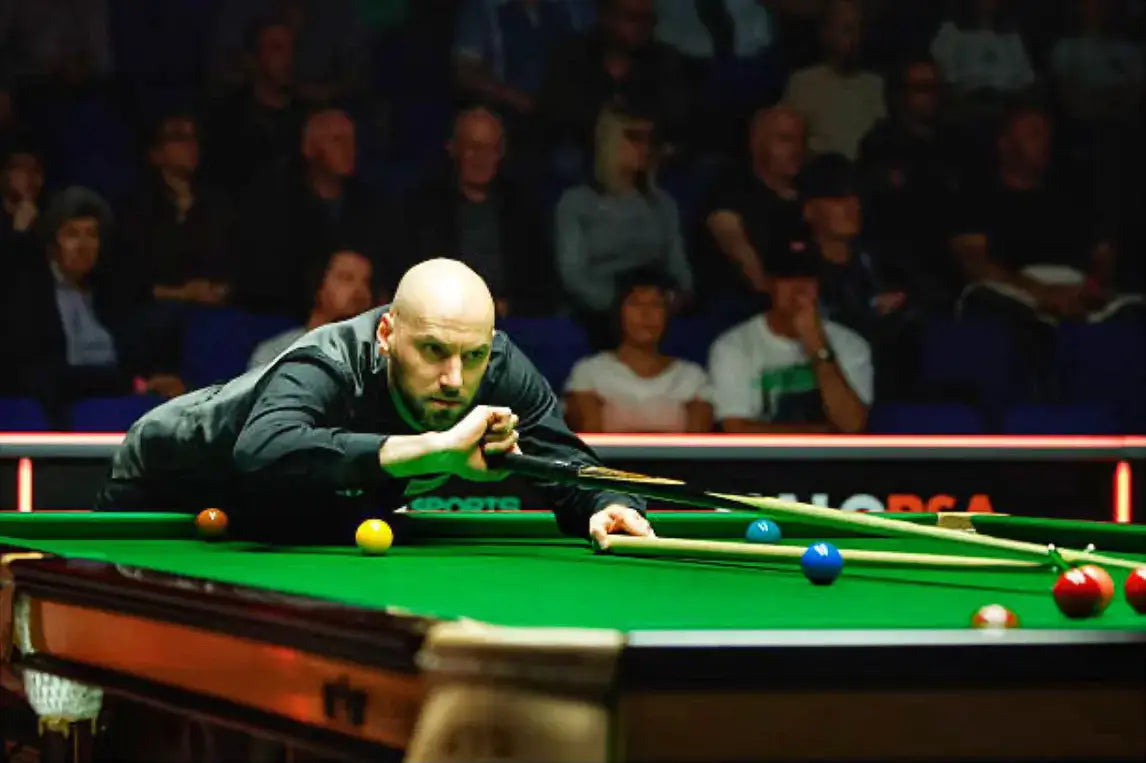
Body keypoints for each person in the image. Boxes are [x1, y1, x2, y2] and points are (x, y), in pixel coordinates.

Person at [95, 258, 652, 546]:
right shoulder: (329, 359)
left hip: (306, 514)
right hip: (176, 477)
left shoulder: (498, 368)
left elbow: (566, 463)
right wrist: (432, 451)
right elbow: (262, 450)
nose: (456, 379)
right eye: (433, 350)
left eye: (473, 355)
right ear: (387, 334)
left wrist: (604, 502)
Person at [0, 186, 185, 424]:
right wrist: (129, 384)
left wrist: (155, 379)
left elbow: (134, 356)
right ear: (52, 243)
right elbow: (41, 376)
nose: (84, 246)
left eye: (92, 234)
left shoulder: (110, 291)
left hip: (118, 398)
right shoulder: (28, 298)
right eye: (72, 234)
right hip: (63, 409)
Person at [555, 101, 692, 344]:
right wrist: (626, 309)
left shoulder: (663, 204)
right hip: (597, 319)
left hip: (657, 314)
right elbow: (574, 277)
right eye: (634, 138)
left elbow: (680, 272)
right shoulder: (577, 203)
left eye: (649, 139)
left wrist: (665, 303)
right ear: (611, 141)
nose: (645, 147)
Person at [398, 106, 553, 315]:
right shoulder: (424, 207)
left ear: (502, 153)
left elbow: (544, 287)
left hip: (511, 322)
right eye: (472, 147)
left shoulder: (522, 208)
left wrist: (504, 307)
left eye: (490, 149)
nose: (481, 158)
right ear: (453, 148)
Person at [708, 245, 872, 434]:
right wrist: (823, 433)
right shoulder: (732, 346)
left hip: (830, 461)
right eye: (787, 279)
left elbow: (852, 425)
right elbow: (736, 430)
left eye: (808, 279)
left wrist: (817, 345)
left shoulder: (851, 344)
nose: (799, 289)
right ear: (769, 284)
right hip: (760, 461)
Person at [564, 269, 713, 432]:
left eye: (656, 304)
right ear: (618, 311)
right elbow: (590, 442)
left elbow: (696, 448)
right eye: (635, 303)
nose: (646, 314)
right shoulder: (589, 372)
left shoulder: (692, 376)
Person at [702, 105, 806, 307]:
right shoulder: (730, 194)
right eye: (785, 140)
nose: (797, 150)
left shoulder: (810, 192)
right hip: (746, 310)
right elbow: (755, 278)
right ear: (756, 143)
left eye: (801, 141)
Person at [782, 0, 885, 161]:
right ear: (826, 34)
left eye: (860, 30)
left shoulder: (876, 85)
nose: (855, 39)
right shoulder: (803, 84)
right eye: (847, 30)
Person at [248, 248, 375, 368]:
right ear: (319, 285)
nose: (361, 292)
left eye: (367, 283)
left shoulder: (373, 362)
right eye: (346, 278)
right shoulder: (276, 355)